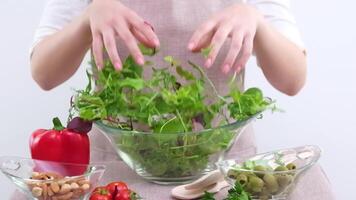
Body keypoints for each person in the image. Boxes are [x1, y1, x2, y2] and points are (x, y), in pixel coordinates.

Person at [29, 0, 335, 199]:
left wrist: (256, 21)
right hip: (115, 179)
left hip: (222, 175)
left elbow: (293, 79)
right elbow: (44, 72)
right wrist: (86, 20)